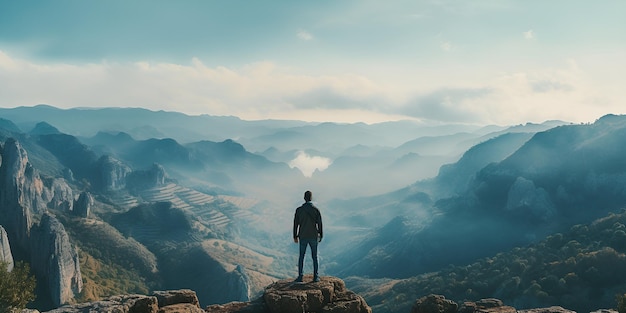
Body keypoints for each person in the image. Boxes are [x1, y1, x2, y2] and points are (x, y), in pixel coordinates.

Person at [293, 190, 323, 283]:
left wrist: (295, 235)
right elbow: (320, 224)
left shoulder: (299, 210)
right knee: (315, 256)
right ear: (311, 198)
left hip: (303, 235)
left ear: (304, 198)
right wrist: (321, 234)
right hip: (313, 235)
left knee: (302, 256)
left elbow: (295, 224)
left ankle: (300, 276)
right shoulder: (316, 210)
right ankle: (316, 277)